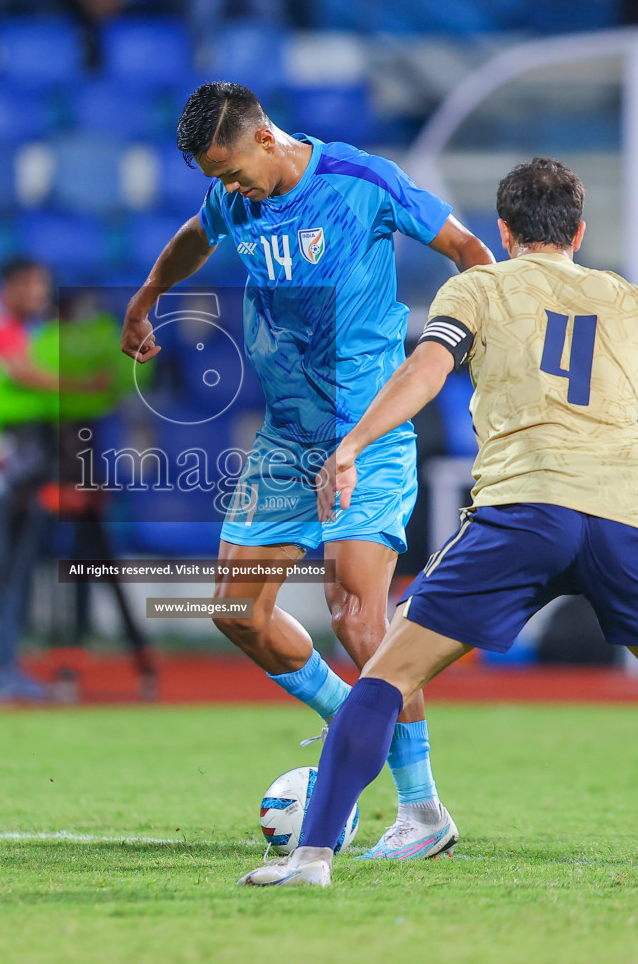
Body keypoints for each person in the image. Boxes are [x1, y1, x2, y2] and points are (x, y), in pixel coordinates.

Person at [239, 158, 638, 888]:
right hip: (627, 521)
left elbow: (425, 371)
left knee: (386, 676)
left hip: (524, 513)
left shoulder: (475, 287)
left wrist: (351, 444)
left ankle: (312, 858)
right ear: (579, 230)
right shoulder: (635, 302)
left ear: (503, 232)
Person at [121, 81, 494, 858]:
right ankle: (345, 717)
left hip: (371, 430)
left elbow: (469, 252)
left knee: (360, 616)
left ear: (264, 138)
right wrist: (151, 293)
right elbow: (196, 233)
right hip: (288, 438)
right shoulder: (236, 197)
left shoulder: (361, 181)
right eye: (212, 178)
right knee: (235, 612)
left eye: (228, 171)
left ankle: (423, 813)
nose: (225, 190)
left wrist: (477, 345)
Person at [0, 258, 73, 706]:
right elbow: (23, 374)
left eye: (42, 285)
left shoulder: (31, 336)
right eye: (29, 284)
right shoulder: (0, 333)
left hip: (23, 473)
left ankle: (3, 665)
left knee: (14, 570)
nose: (38, 293)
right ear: (7, 288)